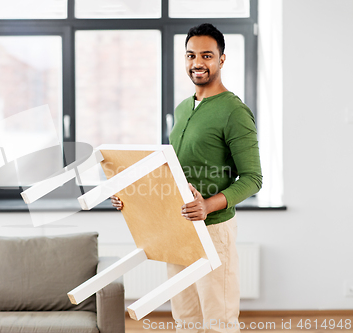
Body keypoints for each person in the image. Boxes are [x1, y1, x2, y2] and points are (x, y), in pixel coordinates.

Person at [111, 23, 262, 333]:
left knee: (218, 322)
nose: (197, 63)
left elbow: (252, 178)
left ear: (221, 59)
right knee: (185, 321)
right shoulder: (183, 109)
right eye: (191, 55)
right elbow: (174, 173)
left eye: (206, 55)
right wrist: (132, 197)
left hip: (213, 231)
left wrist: (208, 205)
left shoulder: (234, 111)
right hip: (179, 231)